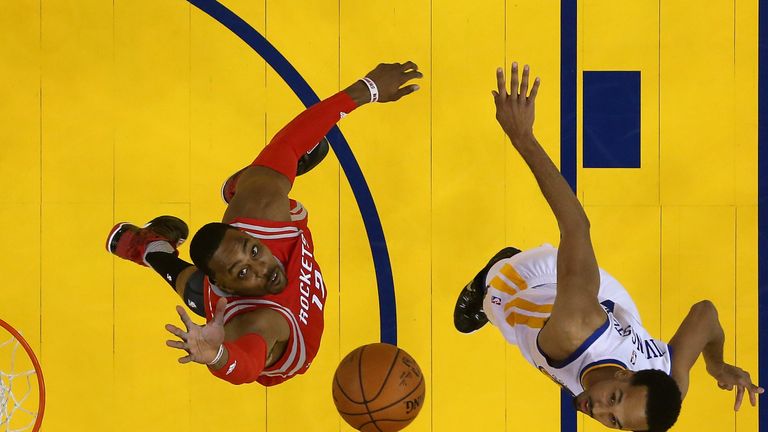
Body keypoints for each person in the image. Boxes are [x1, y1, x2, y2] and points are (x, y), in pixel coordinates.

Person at [453, 62, 763, 431]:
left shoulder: (667, 389)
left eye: (614, 422)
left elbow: (706, 316)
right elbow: (575, 226)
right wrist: (523, 136)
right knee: (498, 300)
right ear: (630, 375)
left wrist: (716, 364)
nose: (597, 411)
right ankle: (496, 271)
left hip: (607, 304)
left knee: (581, 291)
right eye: (612, 400)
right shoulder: (573, 328)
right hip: (532, 284)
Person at [106, 61, 422, 385]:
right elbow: (246, 363)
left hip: (256, 211)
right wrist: (217, 356)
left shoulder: (262, 209)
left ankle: (243, 184)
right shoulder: (258, 321)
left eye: (253, 251)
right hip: (243, 314)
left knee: (269, 174)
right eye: (242, 273)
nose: (262, 269)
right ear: (227, 287)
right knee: (203, 300)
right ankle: (152, 250)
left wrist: (366, 89)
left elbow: (289, 142)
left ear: (249, 234)